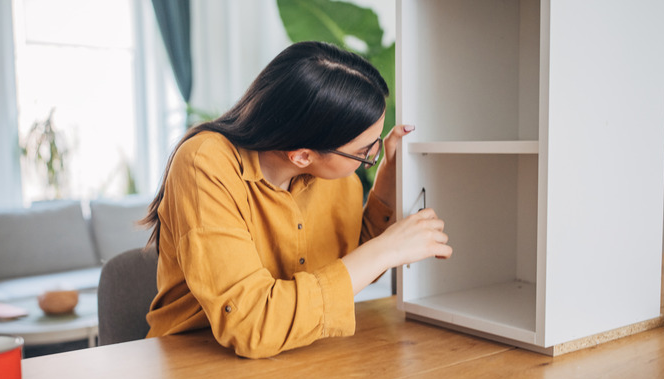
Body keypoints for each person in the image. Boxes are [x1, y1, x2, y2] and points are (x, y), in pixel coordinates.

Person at [142, 41, 452, 358]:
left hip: (301, 354)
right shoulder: (205, 162)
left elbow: (350, 263)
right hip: (199, 359)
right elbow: (251, 323)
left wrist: (387, 176)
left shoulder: (335, 174)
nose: (372, 154)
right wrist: (387, 249)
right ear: (302, 156)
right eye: (364, 152)